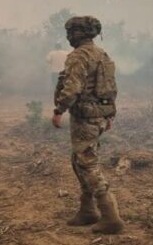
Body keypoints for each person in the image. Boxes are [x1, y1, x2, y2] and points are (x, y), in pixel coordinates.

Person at [52, 16, 124, 235]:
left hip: (85, 117)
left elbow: (72, 89)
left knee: (87, 163)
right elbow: (109, 88)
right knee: (79, 161)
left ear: (77, 33)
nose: (68, 36)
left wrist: (59, 110)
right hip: (100, 115)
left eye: (70, 32)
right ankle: (87, 210)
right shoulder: (102, 54)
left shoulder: (78, 56)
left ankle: (111, 216)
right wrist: (109, 114)